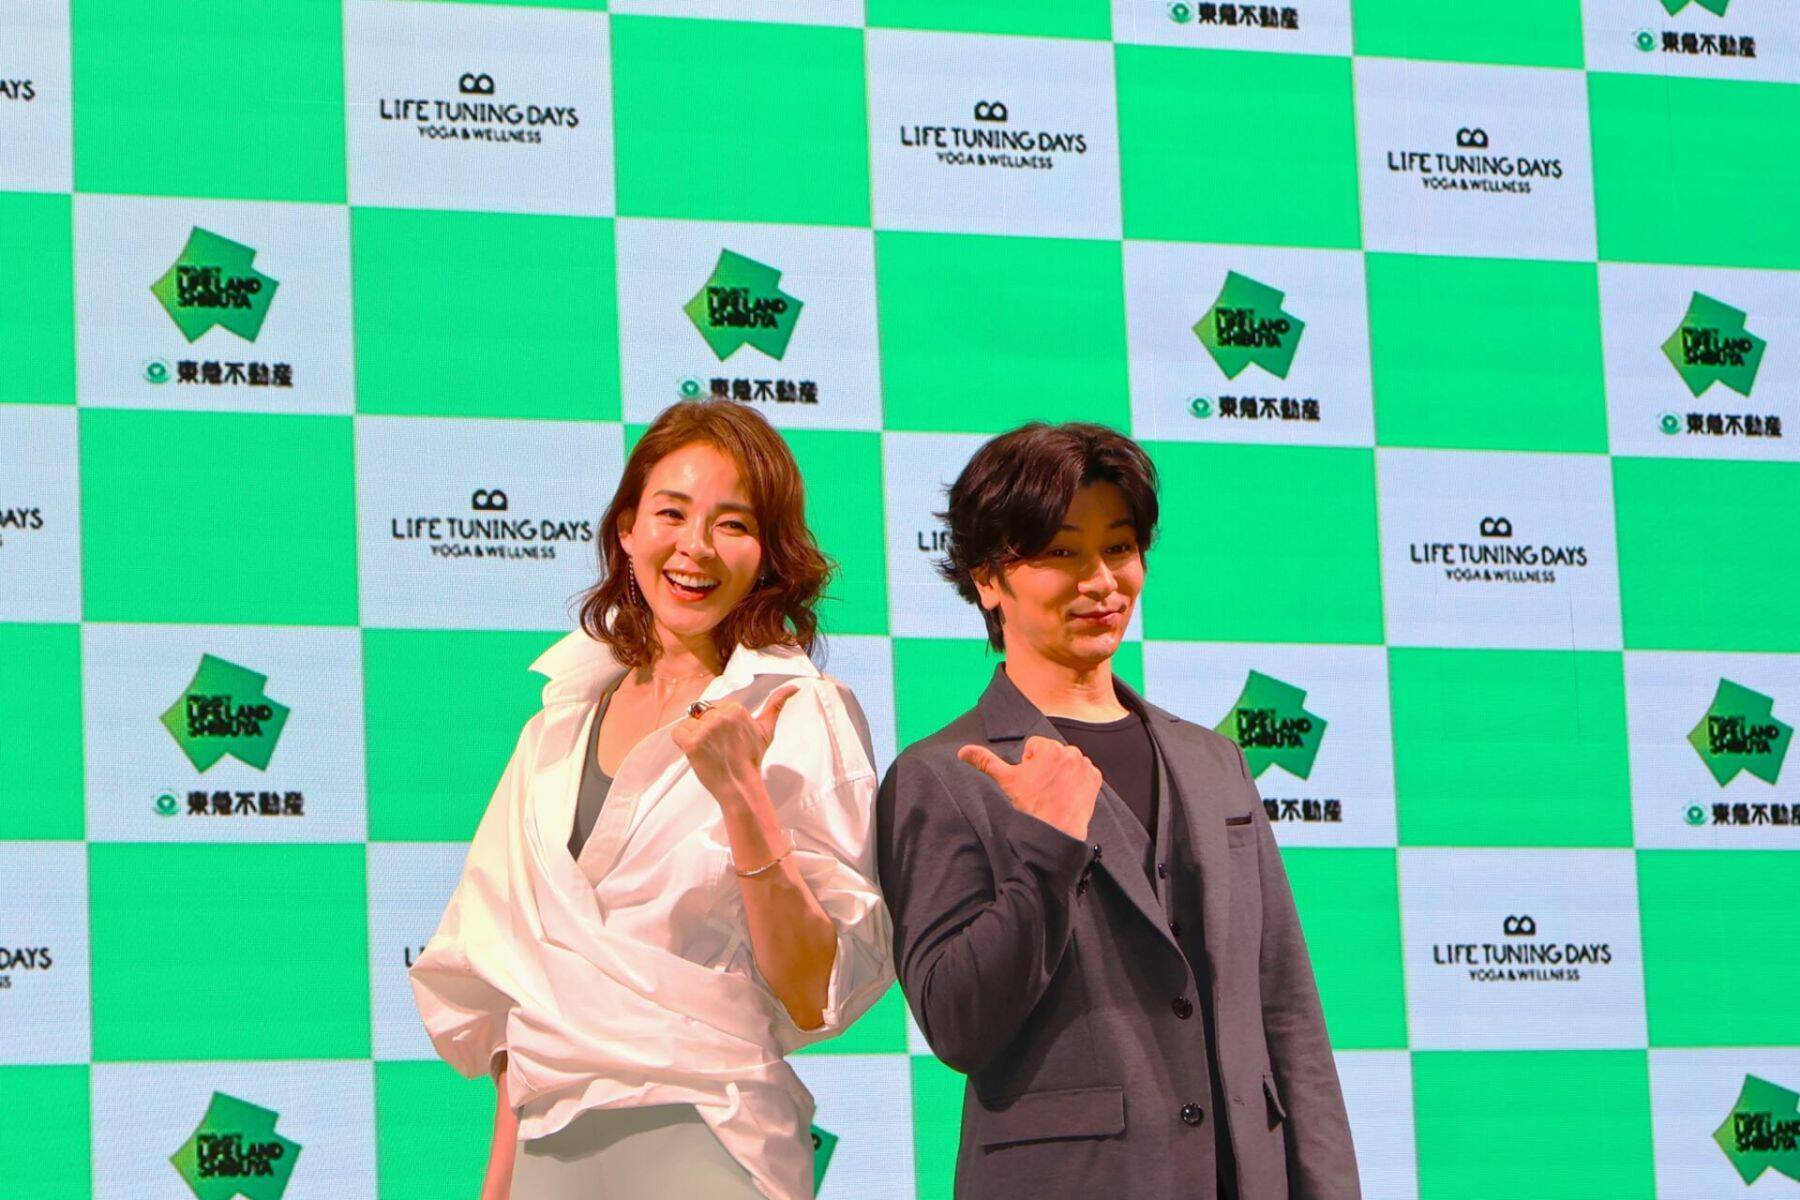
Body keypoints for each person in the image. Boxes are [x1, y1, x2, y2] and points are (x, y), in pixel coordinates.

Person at [410, 399, 893, 1200]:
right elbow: (514, 980)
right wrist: (498, 1184)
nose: (695, 547)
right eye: (672, 513)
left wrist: (743, 798)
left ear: (770, 554)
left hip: (710, 1130)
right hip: (548, 1143)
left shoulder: (800, 710)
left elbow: (815, 989)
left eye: (733, 524)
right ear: (627, 529)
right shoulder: (556, 726)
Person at [875, 422, 1360, 1200]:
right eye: (1062, 552)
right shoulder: (942, 775)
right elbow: (957, 1023)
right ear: (988, 578)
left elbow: (1287, 1009)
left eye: (1119, 548)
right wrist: (1047, 849)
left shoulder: (1215, 761)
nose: (1100, 581)